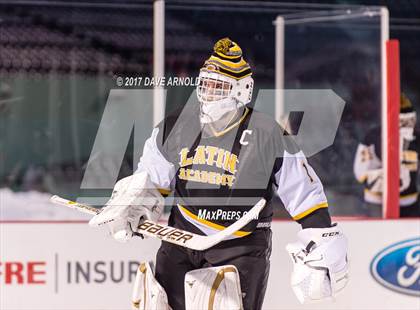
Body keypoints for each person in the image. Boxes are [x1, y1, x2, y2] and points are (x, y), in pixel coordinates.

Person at [90, 38, 349, 310]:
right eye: (206, 84)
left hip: (239, 247)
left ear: (242, 90)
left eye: (219, 86)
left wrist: (321, 237)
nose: (209, 92)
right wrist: (133, 205)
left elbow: (306, 196)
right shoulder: (176, 125)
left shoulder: (268, 134)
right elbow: (152, 178)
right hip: (181, 238)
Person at [354, 93, 420, 217]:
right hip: (378, 203)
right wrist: (384, 175)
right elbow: (361, 172)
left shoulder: (416, 138)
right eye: (404, 121)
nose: (408, 125)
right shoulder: (373, 137)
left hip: (410, 202)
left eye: (410, 120)